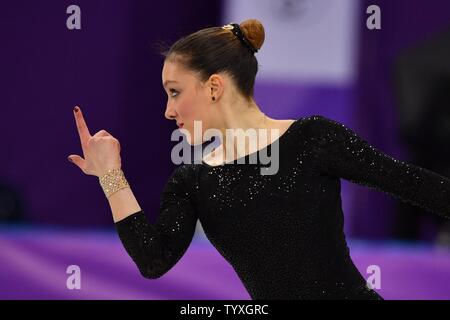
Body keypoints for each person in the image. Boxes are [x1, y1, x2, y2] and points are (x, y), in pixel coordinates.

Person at [68, 19, 450, 300]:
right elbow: (153, 260)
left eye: (174, 92)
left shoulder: (312, 138)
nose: (168, 110)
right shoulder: (192, 180)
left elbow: (416, 185)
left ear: (214, 86)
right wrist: (110, 176)